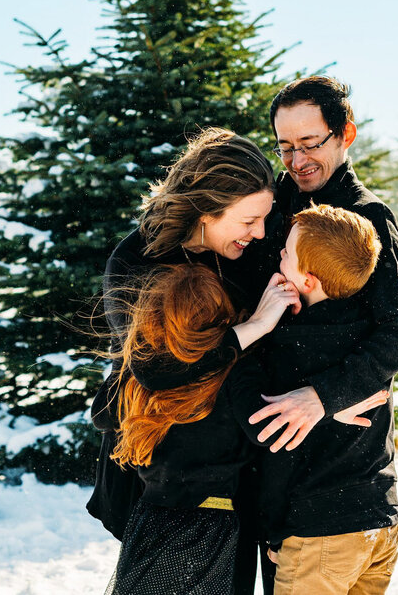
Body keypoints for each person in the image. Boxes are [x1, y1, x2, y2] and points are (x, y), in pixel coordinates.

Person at [87, 126, 300, 593]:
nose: (260, 233)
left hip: (241, 477)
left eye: (262, 219)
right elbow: (160, 369)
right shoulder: (138, 260)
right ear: (206, 209)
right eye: (247, 221)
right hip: (168, 483)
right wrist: (251, 329)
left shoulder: (246, 250)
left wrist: (332, 391)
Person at [246, 75, 398, 594]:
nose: (297, 160)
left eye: (310, 144)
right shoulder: (268, 209)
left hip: (334, 490)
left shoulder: (364, 218)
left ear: (345, 134)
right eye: (284, 147)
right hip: (286, 484)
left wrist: (324, 397)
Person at [93, 263, 296, 595]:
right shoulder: (234, 374)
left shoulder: (141, 380)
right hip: (210, 523)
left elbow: (102, 415)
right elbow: (267, 434)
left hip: (151, 518)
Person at [252, 203, 398, 594]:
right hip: (379, 520)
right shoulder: (370, 338)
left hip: (320, 534)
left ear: (308, 279)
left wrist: (272, 531)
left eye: (286, 252)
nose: (279, 255)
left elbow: (279, 450)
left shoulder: (289, 349)